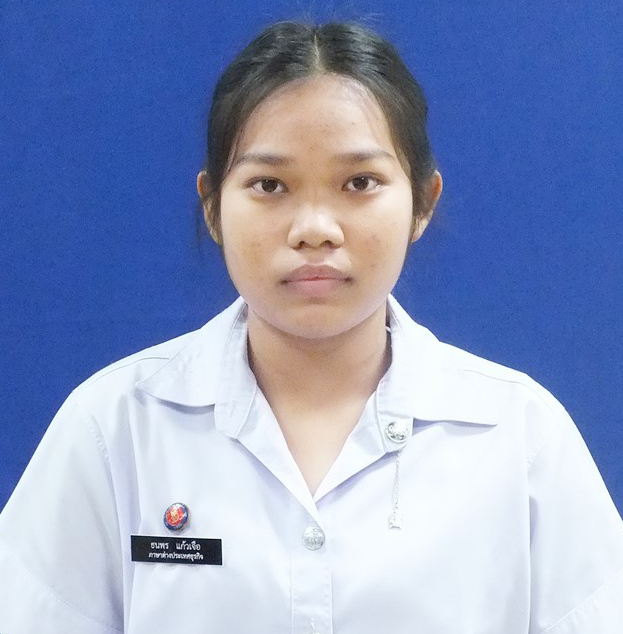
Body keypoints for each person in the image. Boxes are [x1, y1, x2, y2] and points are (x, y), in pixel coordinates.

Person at [0, 20, 622, 634]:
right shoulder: (115, 428)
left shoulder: (520, 437)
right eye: (270, 185)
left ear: (423, 203)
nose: (315, 229)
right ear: (213, 206)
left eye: (360, 183)